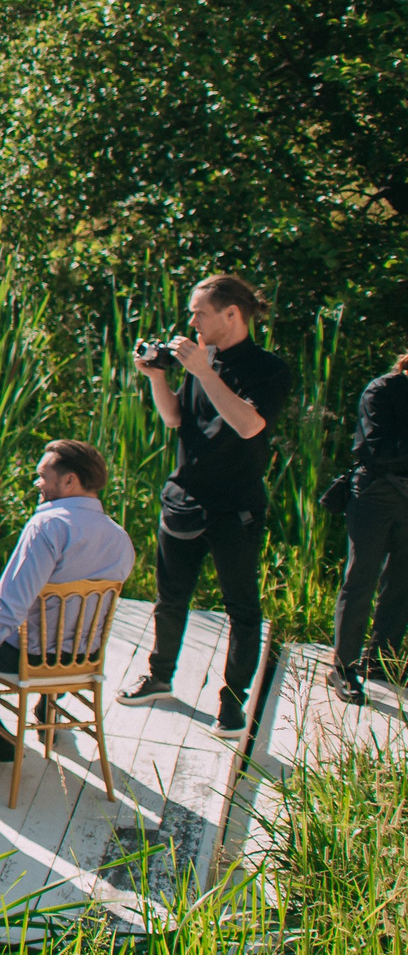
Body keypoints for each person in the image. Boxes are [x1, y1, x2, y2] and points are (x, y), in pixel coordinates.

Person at [119, 273, 292, 733]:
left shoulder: (268, 369)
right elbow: (175, 417)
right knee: (170, 598)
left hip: (236, 508)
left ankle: (233, 704)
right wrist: (158, 377)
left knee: (243, 608)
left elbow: (249, 424)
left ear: (232, 315)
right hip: (184, 498)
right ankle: (159, 677)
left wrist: (204, 371)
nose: (191, 320)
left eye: (200, 312)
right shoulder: (204, 359)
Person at [0, 440, 135, 760]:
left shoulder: (48, 526)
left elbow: (9, 607)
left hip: (31, 660)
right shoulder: (119, 537)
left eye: (43, 475)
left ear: (69, 480)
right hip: (82, 658)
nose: (37, 483)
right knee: (58, 619)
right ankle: (48, 704)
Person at [328, 349, 408, 705]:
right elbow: (374, 448)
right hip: (374, 493)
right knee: (361, 578)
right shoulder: (382, 391)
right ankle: (343, 668)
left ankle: (382, 663)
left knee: (403, 581)